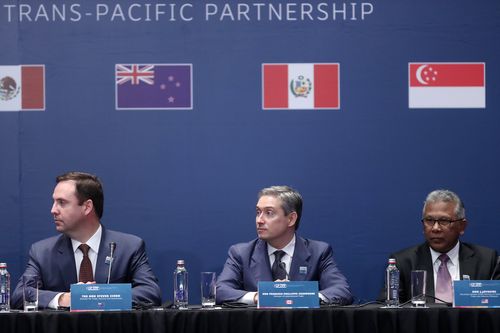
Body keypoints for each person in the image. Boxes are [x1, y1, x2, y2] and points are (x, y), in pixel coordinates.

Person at [11, 172, 162, 309]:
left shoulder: (129, 247)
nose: (53, 210)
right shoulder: (42, 252)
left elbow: (150, 292)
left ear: (87, 207)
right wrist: (63, 299)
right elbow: (20, 294)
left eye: (62, 203)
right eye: (54, 202)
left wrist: (93, 296)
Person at [216, 185, 353, 305]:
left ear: (291, 218)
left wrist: (299, 296)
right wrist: (260, 296)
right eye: (258, 212)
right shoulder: (241, 253)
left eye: (269, 213)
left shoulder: (319, 252)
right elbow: (220, 291)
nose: (259, 220)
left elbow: (341, 290)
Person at [381, 189, 500, 304]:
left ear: (462, 226)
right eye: (429, 220)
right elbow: (389, 312)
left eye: (444, 221)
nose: (435, 228)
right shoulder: (403, 263)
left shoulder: (487, 261)